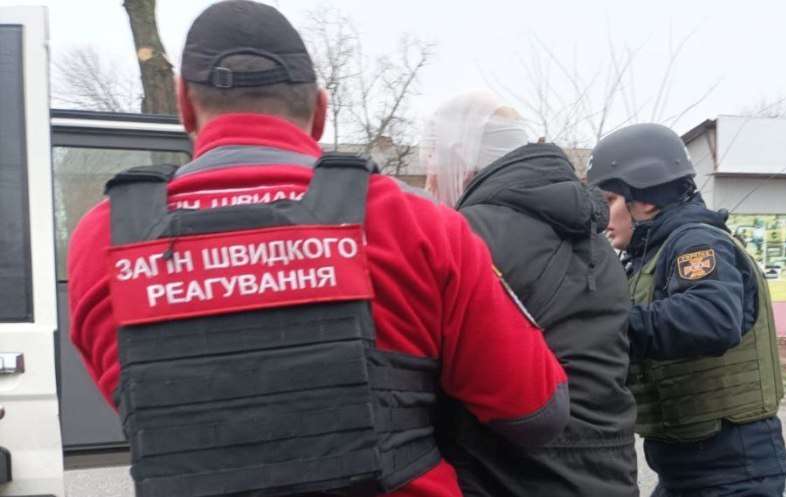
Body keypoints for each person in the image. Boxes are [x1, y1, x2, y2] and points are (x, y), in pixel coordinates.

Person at [66, 3, 569, 497]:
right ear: (321, 111)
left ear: (183, 103)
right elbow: (534, 412)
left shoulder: (104, 237)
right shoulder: (416, 223)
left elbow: (153, 412)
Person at [420, 91, 638, 497]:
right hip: (606, 471)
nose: (431, 179)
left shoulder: (467, 237)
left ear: (461, 160)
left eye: (433, 162)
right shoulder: (595, 241)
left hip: (509, 474)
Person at [588, 123, 786, 497]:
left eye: (610, 200)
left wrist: (606, 324)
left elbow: (711, 318)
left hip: (733, 470)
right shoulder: (647, 256)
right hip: (687, 467)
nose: (603, 217)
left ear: (646, 200)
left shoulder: (696, 241)